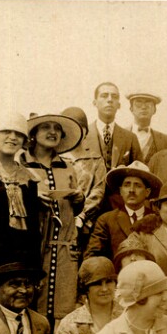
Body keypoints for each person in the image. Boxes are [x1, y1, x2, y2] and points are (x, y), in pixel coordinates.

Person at [0, 113, 42, 308]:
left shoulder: (28, 177)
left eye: (18, 134)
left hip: (19, 262)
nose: (12, 137)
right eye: (6, 132)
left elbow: (34, 229)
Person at [23, 112, 85, 326]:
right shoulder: (22, 164)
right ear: (33, 133)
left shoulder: (67, 166)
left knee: (63, 309)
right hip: (34, 247)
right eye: (46, 127)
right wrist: (32, 195)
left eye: (57, 128)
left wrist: (79, 198)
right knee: (32, 303)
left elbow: (73, 211)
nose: (52, 132)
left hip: (64, 250)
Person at [84, 161, 162, 260]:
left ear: (147, 192)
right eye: (127, 185)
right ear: (120, 190)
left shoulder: (157, 220)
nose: (131, 190)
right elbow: (92, 256)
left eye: (138, 185)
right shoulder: (106, 220)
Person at [60, 106, 109, 256]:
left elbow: (98, 192)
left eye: (79, 128)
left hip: (86, 224)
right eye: (69, 128)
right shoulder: (56, 158)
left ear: (85, 131)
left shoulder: (95, 159)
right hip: (59, 220)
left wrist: (81, 216)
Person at [84, 81, 143, 172]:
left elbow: (139, 173)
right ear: (95, 103)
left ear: (119, 105)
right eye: (104, 96)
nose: (110, 100)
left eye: (114, 97)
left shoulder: (130, 138)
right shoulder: (83, 135)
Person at [127, 91, 167, 163]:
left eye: (148, 103)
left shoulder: (165, 141)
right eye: (138, 103)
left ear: (154, 110)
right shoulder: (119, 136)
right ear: (131, 109)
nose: (143, 107)